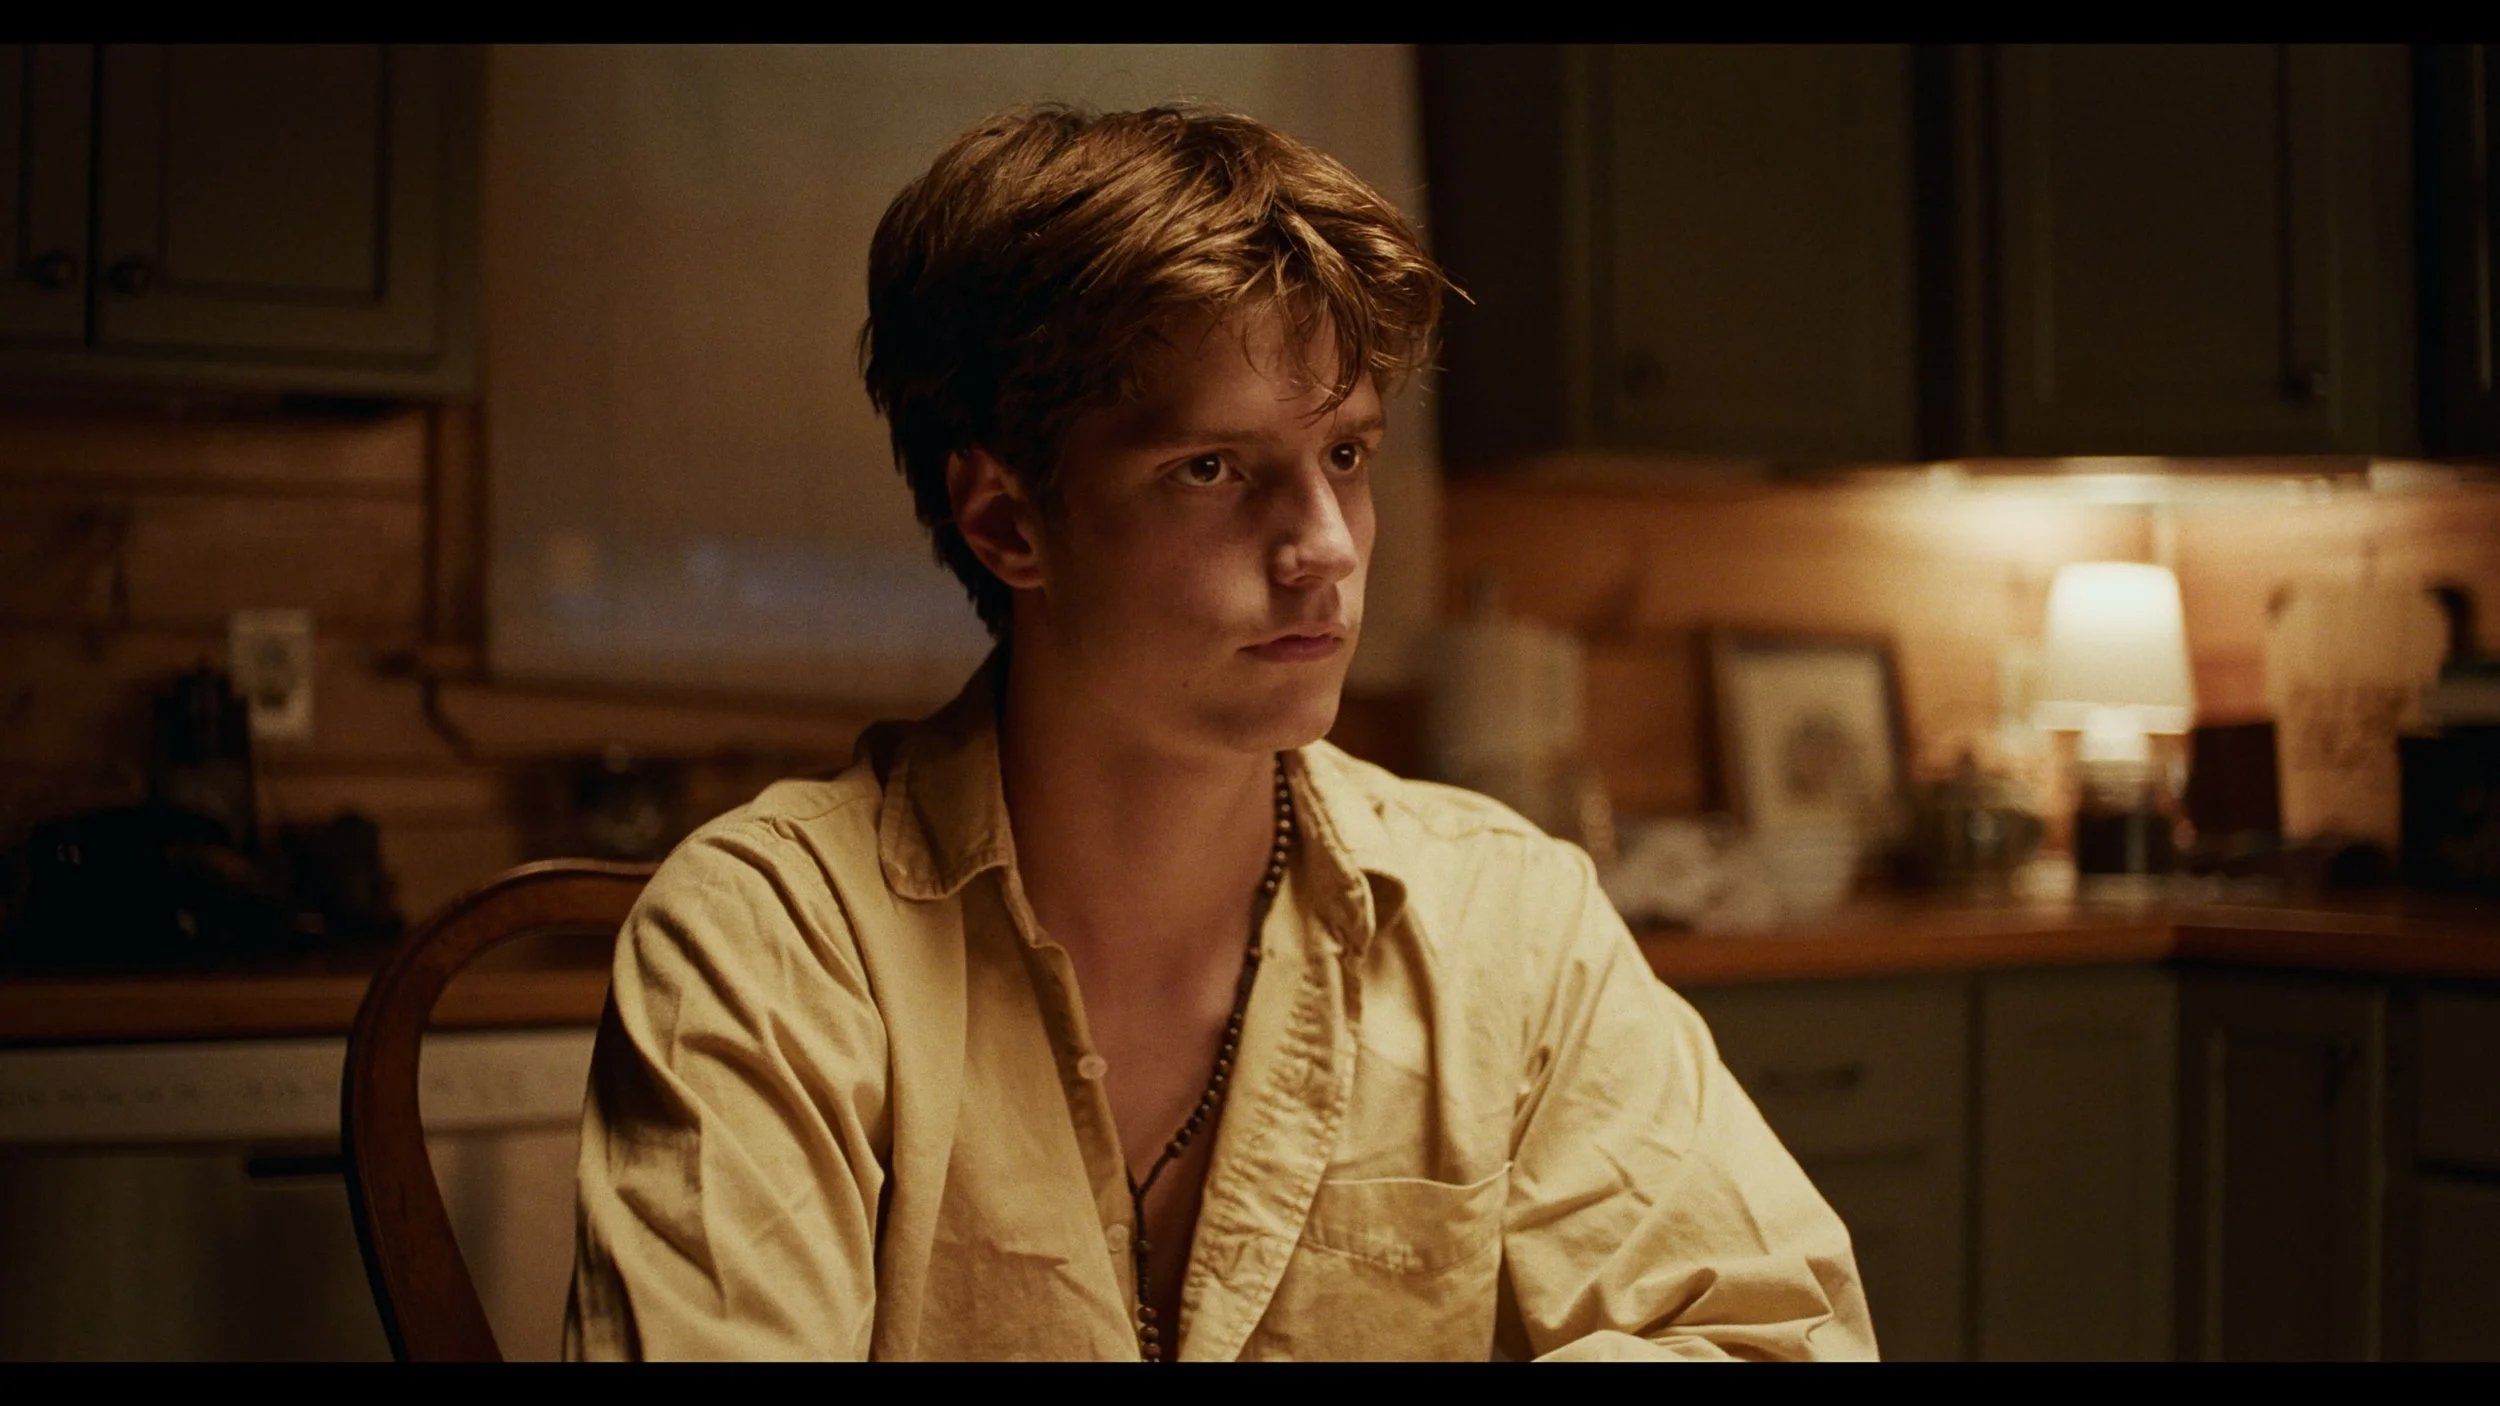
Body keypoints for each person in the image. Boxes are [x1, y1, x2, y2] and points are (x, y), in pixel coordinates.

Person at [564, 101, 1875, 1362]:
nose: (1323, 549)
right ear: (1007, 522)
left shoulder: (1503, 921)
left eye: (1348, 456)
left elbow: (1770, 1336)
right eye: (1213, 469)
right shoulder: (773, 945)